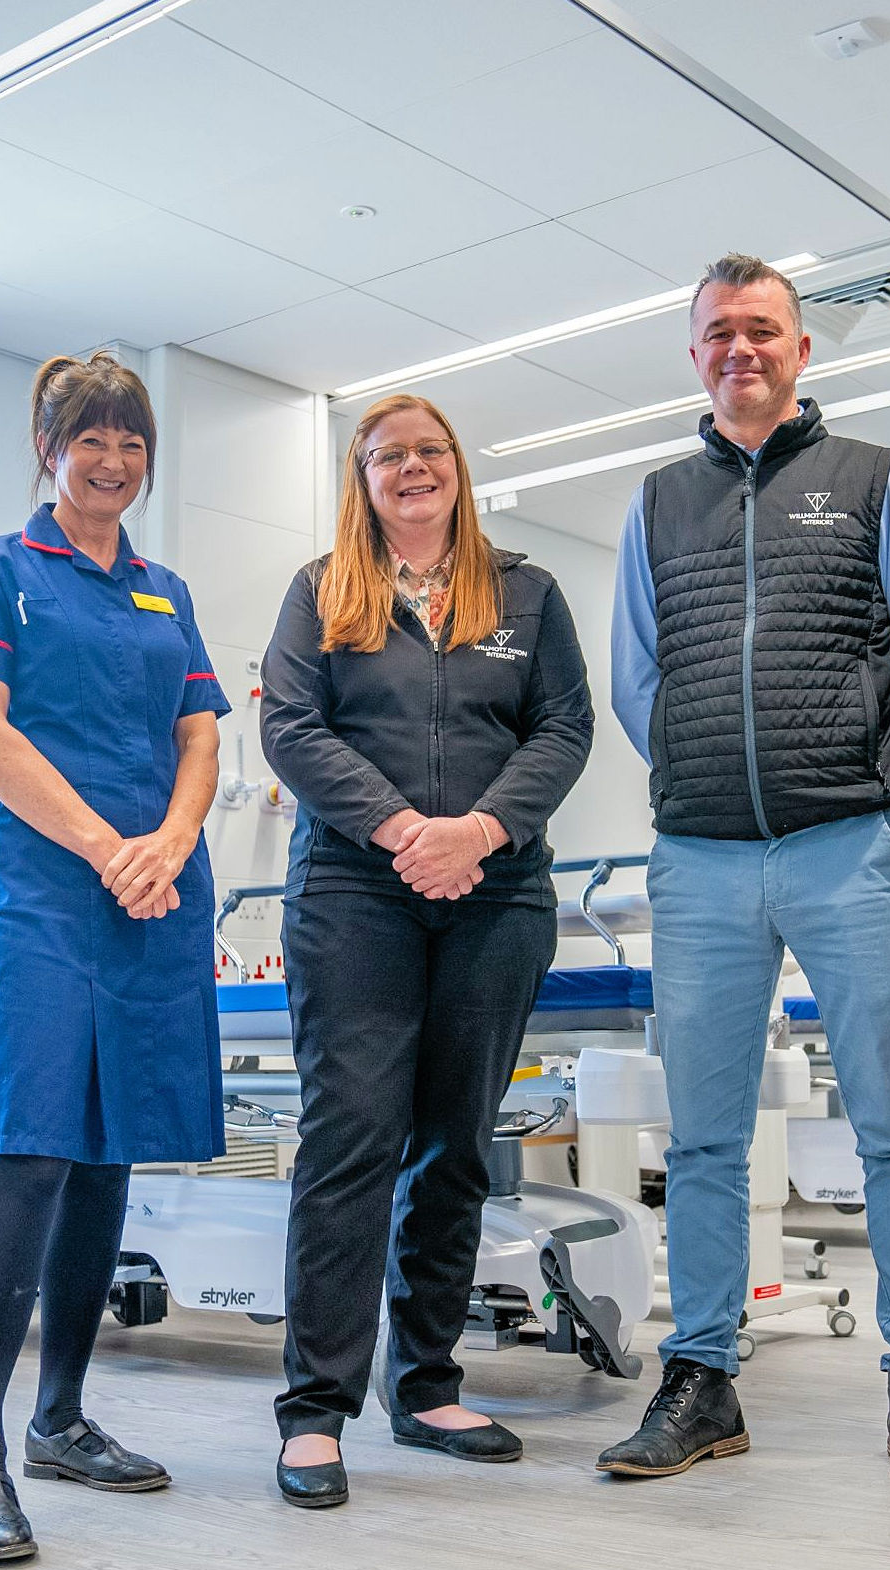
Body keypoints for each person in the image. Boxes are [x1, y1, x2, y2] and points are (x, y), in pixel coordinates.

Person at [598, 253, 890, 1487]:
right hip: (701, 859)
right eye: (717, 333)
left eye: (763, 330)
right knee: (703, 1135)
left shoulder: (871, 480)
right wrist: (709, 774)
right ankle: (701, 1375)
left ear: (803, 350)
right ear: (694, 353)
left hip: (848, 843)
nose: (739, 350)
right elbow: (636, 680)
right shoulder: (656, 501)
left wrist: (864, 772)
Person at [260, 392, 593, 1510]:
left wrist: (479, 832)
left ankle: (428, 1382)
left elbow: (564, 728)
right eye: (386, 455)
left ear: (459, 464)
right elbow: (291, 728)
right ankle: (315, 1409)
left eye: (429, 449)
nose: (410, 467)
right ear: (361, 479)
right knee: (352, 1139)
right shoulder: (321, 591)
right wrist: (407, 831)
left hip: (497, 895)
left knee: (454, 1142)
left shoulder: (527, 593)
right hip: (358, 890)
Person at [0, 352, 231, 1562]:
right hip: (51, 891)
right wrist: (112, 846)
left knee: (108, 1156)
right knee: (34, 1149)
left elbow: (201, 732)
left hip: (155, 889)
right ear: (48, 447)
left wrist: (171, 839)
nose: (112, 460)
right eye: (89, 438)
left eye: (133, 442)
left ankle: (59, 1417)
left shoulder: (167, 589)